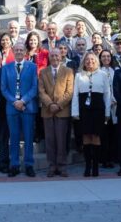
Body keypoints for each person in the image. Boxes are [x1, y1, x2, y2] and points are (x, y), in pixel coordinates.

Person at [1, 43, 38, 177]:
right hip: (12, 108)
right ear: (12, 51)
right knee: (14, 137)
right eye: (16, 50)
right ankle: (14, 165)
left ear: (25, 52)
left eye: (21, 50)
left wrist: (23, 101)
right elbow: (3, 88)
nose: (18, 52)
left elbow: (34, 87)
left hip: (27, 107)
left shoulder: (32, 67)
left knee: (28, 138)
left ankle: (29, 165)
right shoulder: (6, 68)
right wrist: (14, 101)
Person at [72, 51, 111, 177]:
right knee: (86, 137)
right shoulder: (78, 76)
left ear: (96, 61)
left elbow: (107, 94)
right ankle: (87, 166)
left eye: (93, 60)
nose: (90, 62)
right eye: (87, 60)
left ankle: (95, 166)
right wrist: (75, 112)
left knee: (96, 137)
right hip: (84, 110)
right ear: (84, 61)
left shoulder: (103, 75)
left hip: (98, 110)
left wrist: (107, 112)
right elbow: (75, 95)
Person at [39, 48, 74, 177]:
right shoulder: (43, 72)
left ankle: (62, 166)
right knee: (50, 140)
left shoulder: (68, 71)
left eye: (57, 55)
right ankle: (52, 166)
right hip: (47, 111)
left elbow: (69, 92)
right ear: (49, 57)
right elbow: (41, 91)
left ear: (61, 57)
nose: (54, 58)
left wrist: (58, 105)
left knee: (61, 140)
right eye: (52, 55)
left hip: (62, 111)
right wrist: (50, 104)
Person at [98, 49, 118, 167]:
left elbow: (116, 87)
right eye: (103, 56)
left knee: (113, 132)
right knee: (104, 133)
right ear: (100, 58)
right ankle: (104, 158)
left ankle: (112, 157)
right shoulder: (98, 72)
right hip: (102, 106)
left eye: (108, 56)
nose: (106, 58)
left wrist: (114, 99)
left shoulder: (115, 71)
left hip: (114, 106)